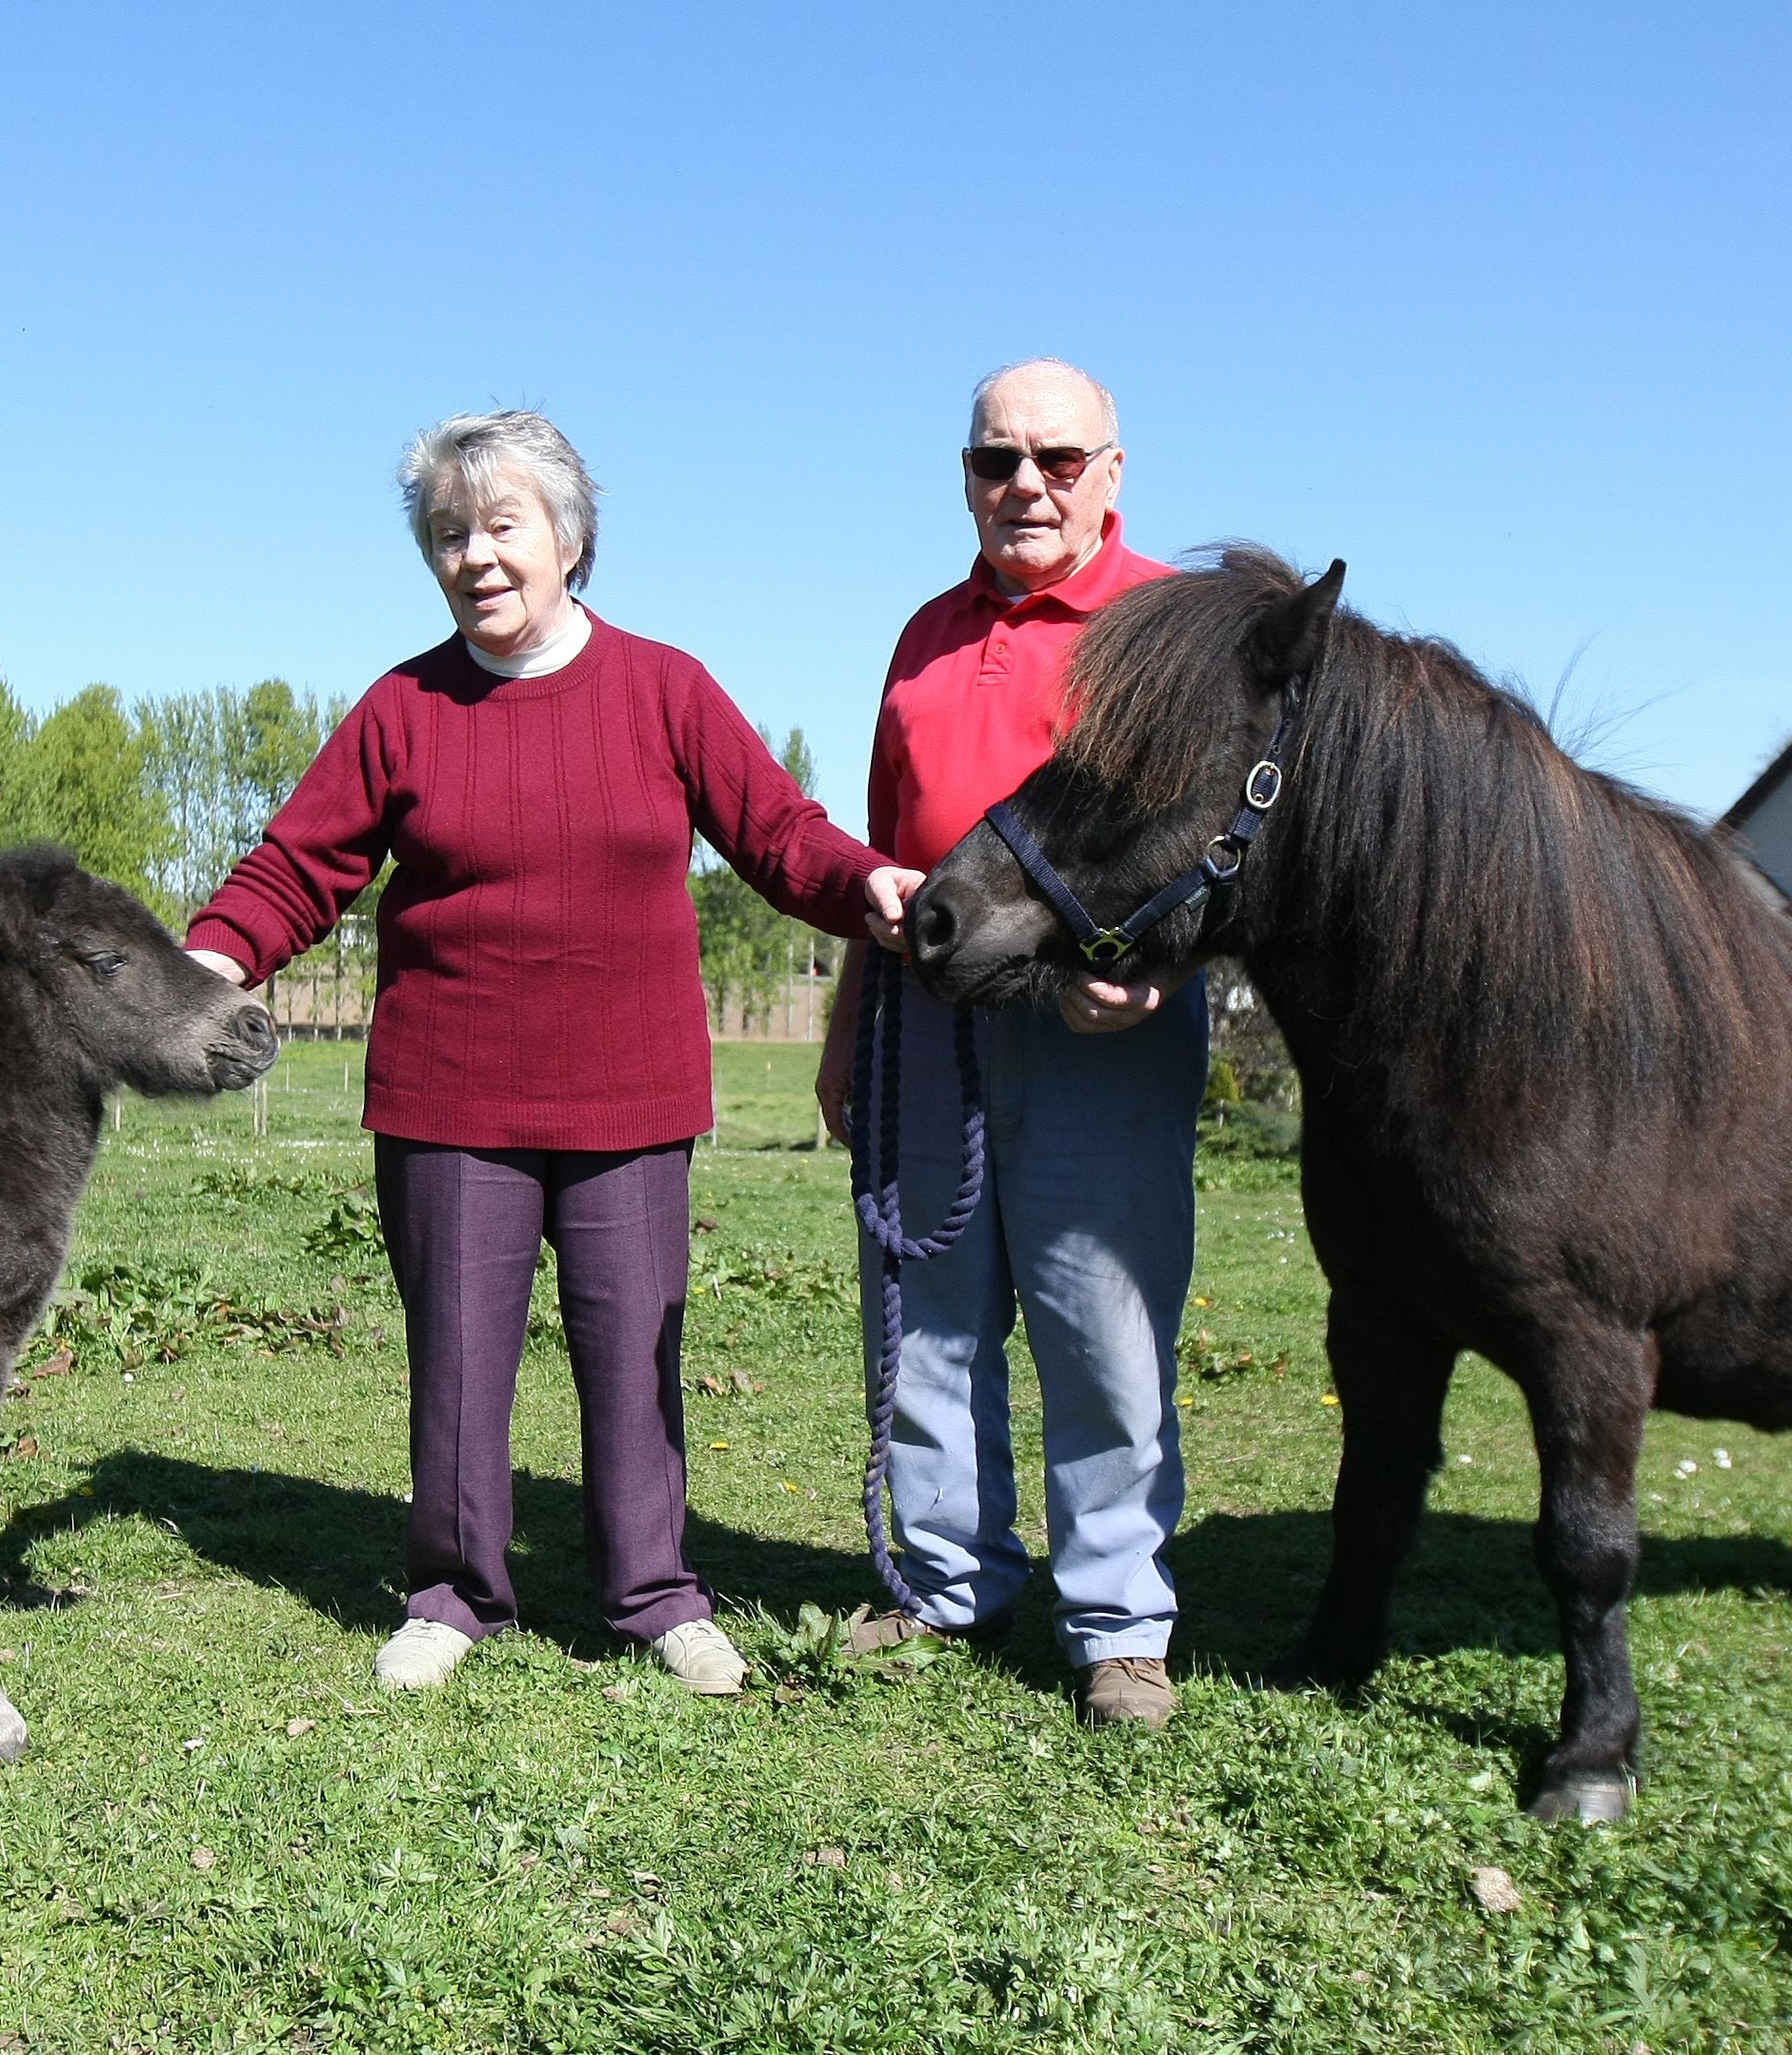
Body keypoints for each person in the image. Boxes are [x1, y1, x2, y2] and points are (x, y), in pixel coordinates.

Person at [188, 412, 914, 1697]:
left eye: (501, 524)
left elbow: (780, 835)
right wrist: (211, 957)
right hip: (449, 1093)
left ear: (570, 540)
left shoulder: (664, 689)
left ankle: (652, 1593)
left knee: (634, 1354)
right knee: (457, 1360)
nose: (475, 555)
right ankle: (455, 1592)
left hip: (629, 1097)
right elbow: (300, 865)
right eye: (449, 534)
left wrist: (876, 890)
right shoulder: (402, 709)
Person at [817, 358, 1200, 1728]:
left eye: (1055, 457)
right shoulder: (924, 632)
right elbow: (879, 846)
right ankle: (942, 1583)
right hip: (924, 1019)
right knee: (928, 1314)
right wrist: (848, 1028)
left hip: (1098, 1024)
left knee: (1103, 1328)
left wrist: (1151, 965)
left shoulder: (1167, 625)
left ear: (1112, 469)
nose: (1023, 484)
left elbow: (1214, 839)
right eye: (994, 460)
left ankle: (1118, 1623)